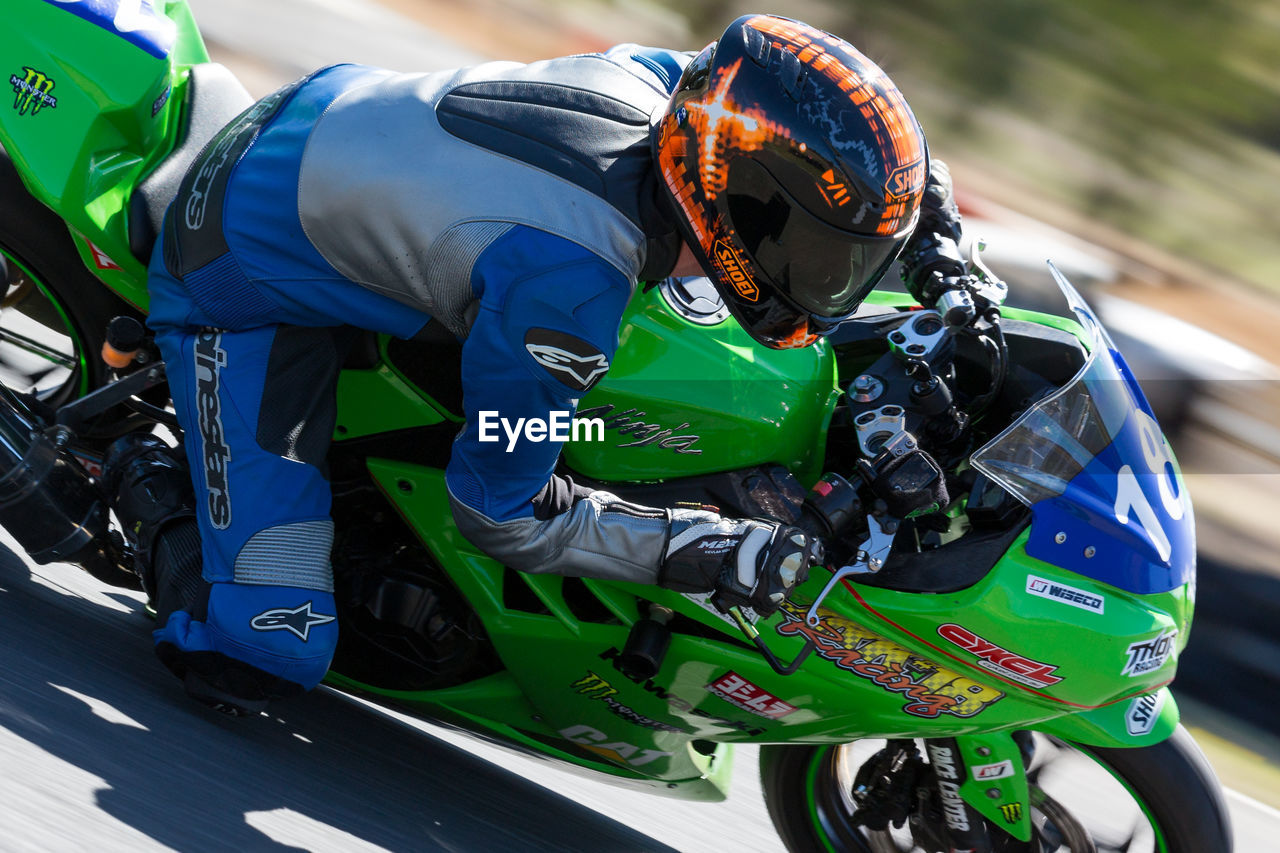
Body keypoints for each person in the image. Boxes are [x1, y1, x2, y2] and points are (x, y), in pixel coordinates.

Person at [104, 14, 961, 714]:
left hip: (326, 121)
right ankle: (135, 466)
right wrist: (707, 545)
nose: (829, 279)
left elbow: (813, 151)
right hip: (237, 272)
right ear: (741, 202)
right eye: (815, 251)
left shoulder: (673, 93)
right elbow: (500, 512)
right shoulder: (572, 283)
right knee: (268, 648)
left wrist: (939, 245)